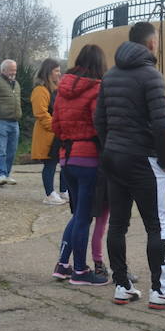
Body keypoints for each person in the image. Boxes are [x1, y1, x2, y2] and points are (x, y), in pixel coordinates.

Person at [96, 21, 165, 309]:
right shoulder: (151, 76)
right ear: (151, 43)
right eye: (155, 39)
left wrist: (111, 145)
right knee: (157, 225)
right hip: (143, 159)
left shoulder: (110, 76)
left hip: (113, 156)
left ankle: (122, 285)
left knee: (118, 224)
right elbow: (161, 124)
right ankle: (160, 290)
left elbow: (100, 120)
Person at [51, 44, 108, 285]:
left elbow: (55, 125)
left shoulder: (62, 89)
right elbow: (100, 124)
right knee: (84, 217)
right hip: (88, 158)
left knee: (77, 215)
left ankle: (63, 265)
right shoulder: (97, 89)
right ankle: (81, 271)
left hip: (67, 157)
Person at [31, 58, 65, 204]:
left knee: (64, 162)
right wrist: (56, 126)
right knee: (50, 163)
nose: (59, 73)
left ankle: (64, 190)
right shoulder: (40, 90)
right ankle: (50, 193)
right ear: (48, 72)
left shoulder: (56, 90)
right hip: (48, 134)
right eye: (56, 71)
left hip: (58, 133)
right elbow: (41, 113)